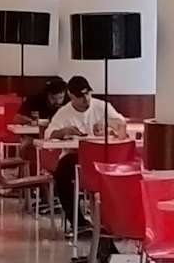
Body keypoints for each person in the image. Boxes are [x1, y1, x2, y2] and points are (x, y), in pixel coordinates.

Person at [45, 76, 128, 238]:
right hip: (77, 158)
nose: (86, 99)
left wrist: (108, 124)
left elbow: (122, 125)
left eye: (88, 94)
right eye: (80, 96)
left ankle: (116, 223)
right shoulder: (64, 113)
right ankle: (78, 222)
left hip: (105, 159)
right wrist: (64, 131)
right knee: (62, 172)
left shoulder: (102, 107)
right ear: (70, 95)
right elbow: (49, 134)